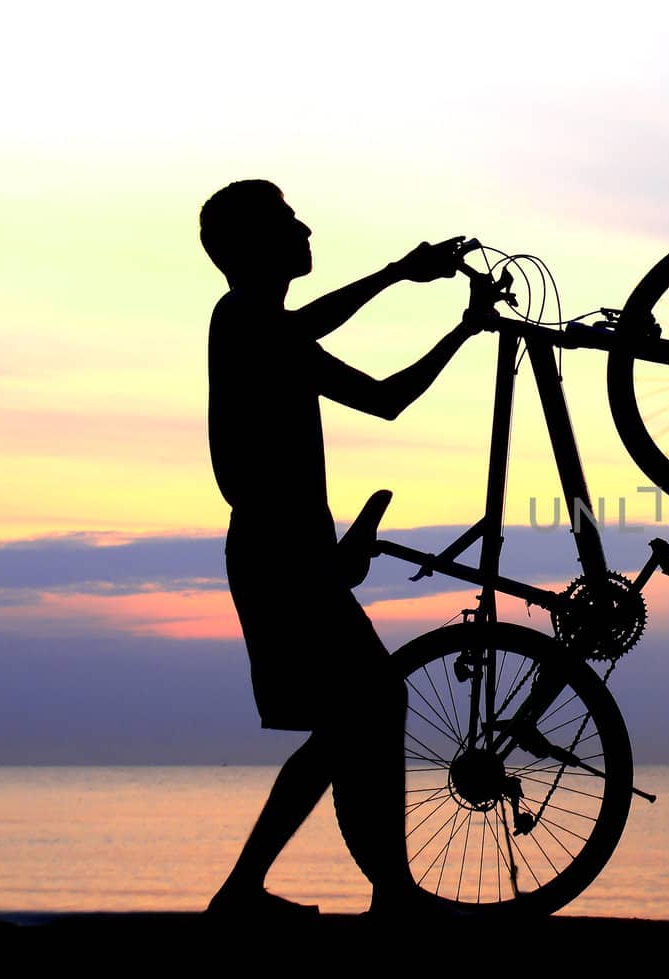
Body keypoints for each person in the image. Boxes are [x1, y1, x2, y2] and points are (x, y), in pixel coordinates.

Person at [200, 179, 484, 918]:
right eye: (289, 222)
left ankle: (354, 888)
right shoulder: (243, 322)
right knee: (368, 705)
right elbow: (315, 344)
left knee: (359, 713)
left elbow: (387, 397)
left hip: (293, 552)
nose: (305, 230)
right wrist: (399, 276)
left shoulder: (278, 338)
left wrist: (458, 326)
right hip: (277, 554)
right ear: (254, 245)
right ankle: (376, 890)